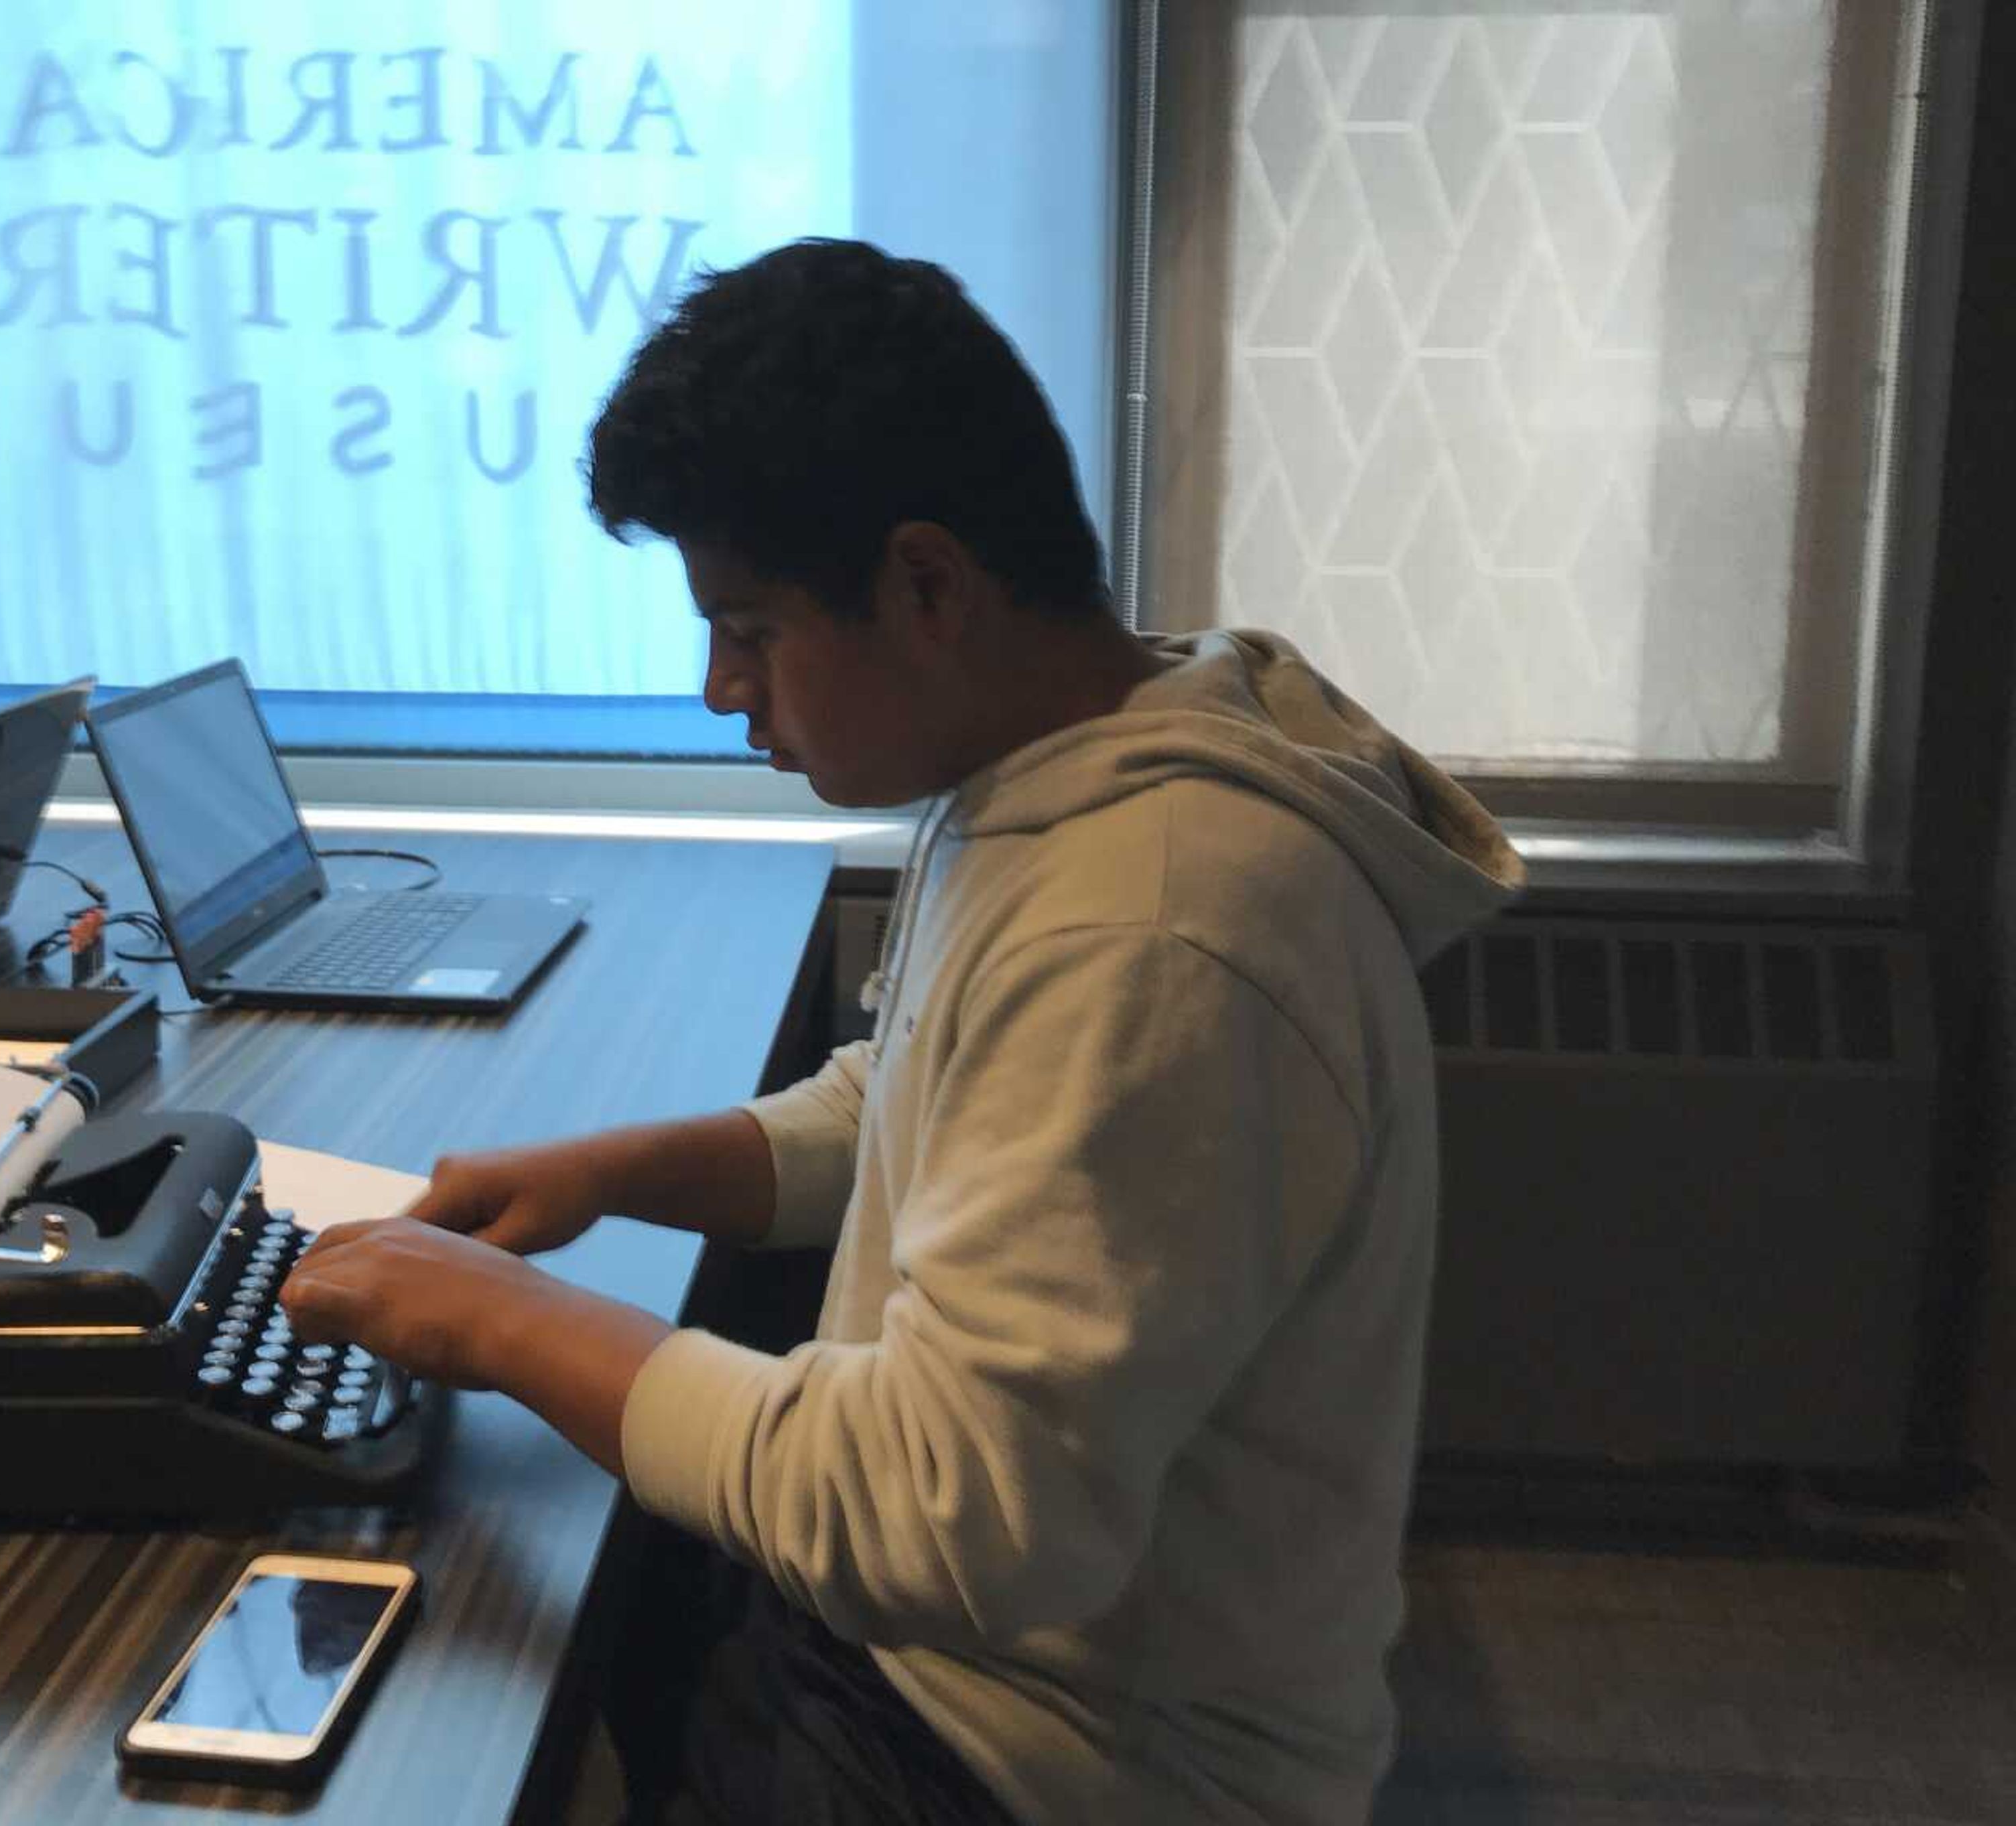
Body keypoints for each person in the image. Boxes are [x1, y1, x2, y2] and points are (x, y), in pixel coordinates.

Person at [276, 238, 1524, 1824]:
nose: (721, 689)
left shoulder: (1150, 923)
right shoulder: (1060, 775)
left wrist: (500, 1322)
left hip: (1042, 1759)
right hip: (973, 1672)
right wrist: (613, 1168)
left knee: (442, 1659)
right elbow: (927, 1099)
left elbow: (948, 1518)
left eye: (751, 627)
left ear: (928, 585)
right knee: (500, 1597)